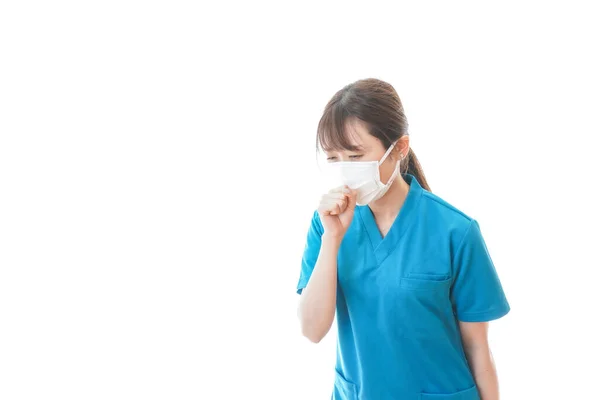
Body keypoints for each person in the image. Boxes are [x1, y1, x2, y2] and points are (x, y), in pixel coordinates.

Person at [296, 78, 510, 400]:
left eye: (355, 157)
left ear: (399, 148)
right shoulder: (326, 225)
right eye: (333, 158)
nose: (344, 171)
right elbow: (312, 330)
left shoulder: (456, 232)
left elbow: (478, 349)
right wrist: (332, 239)